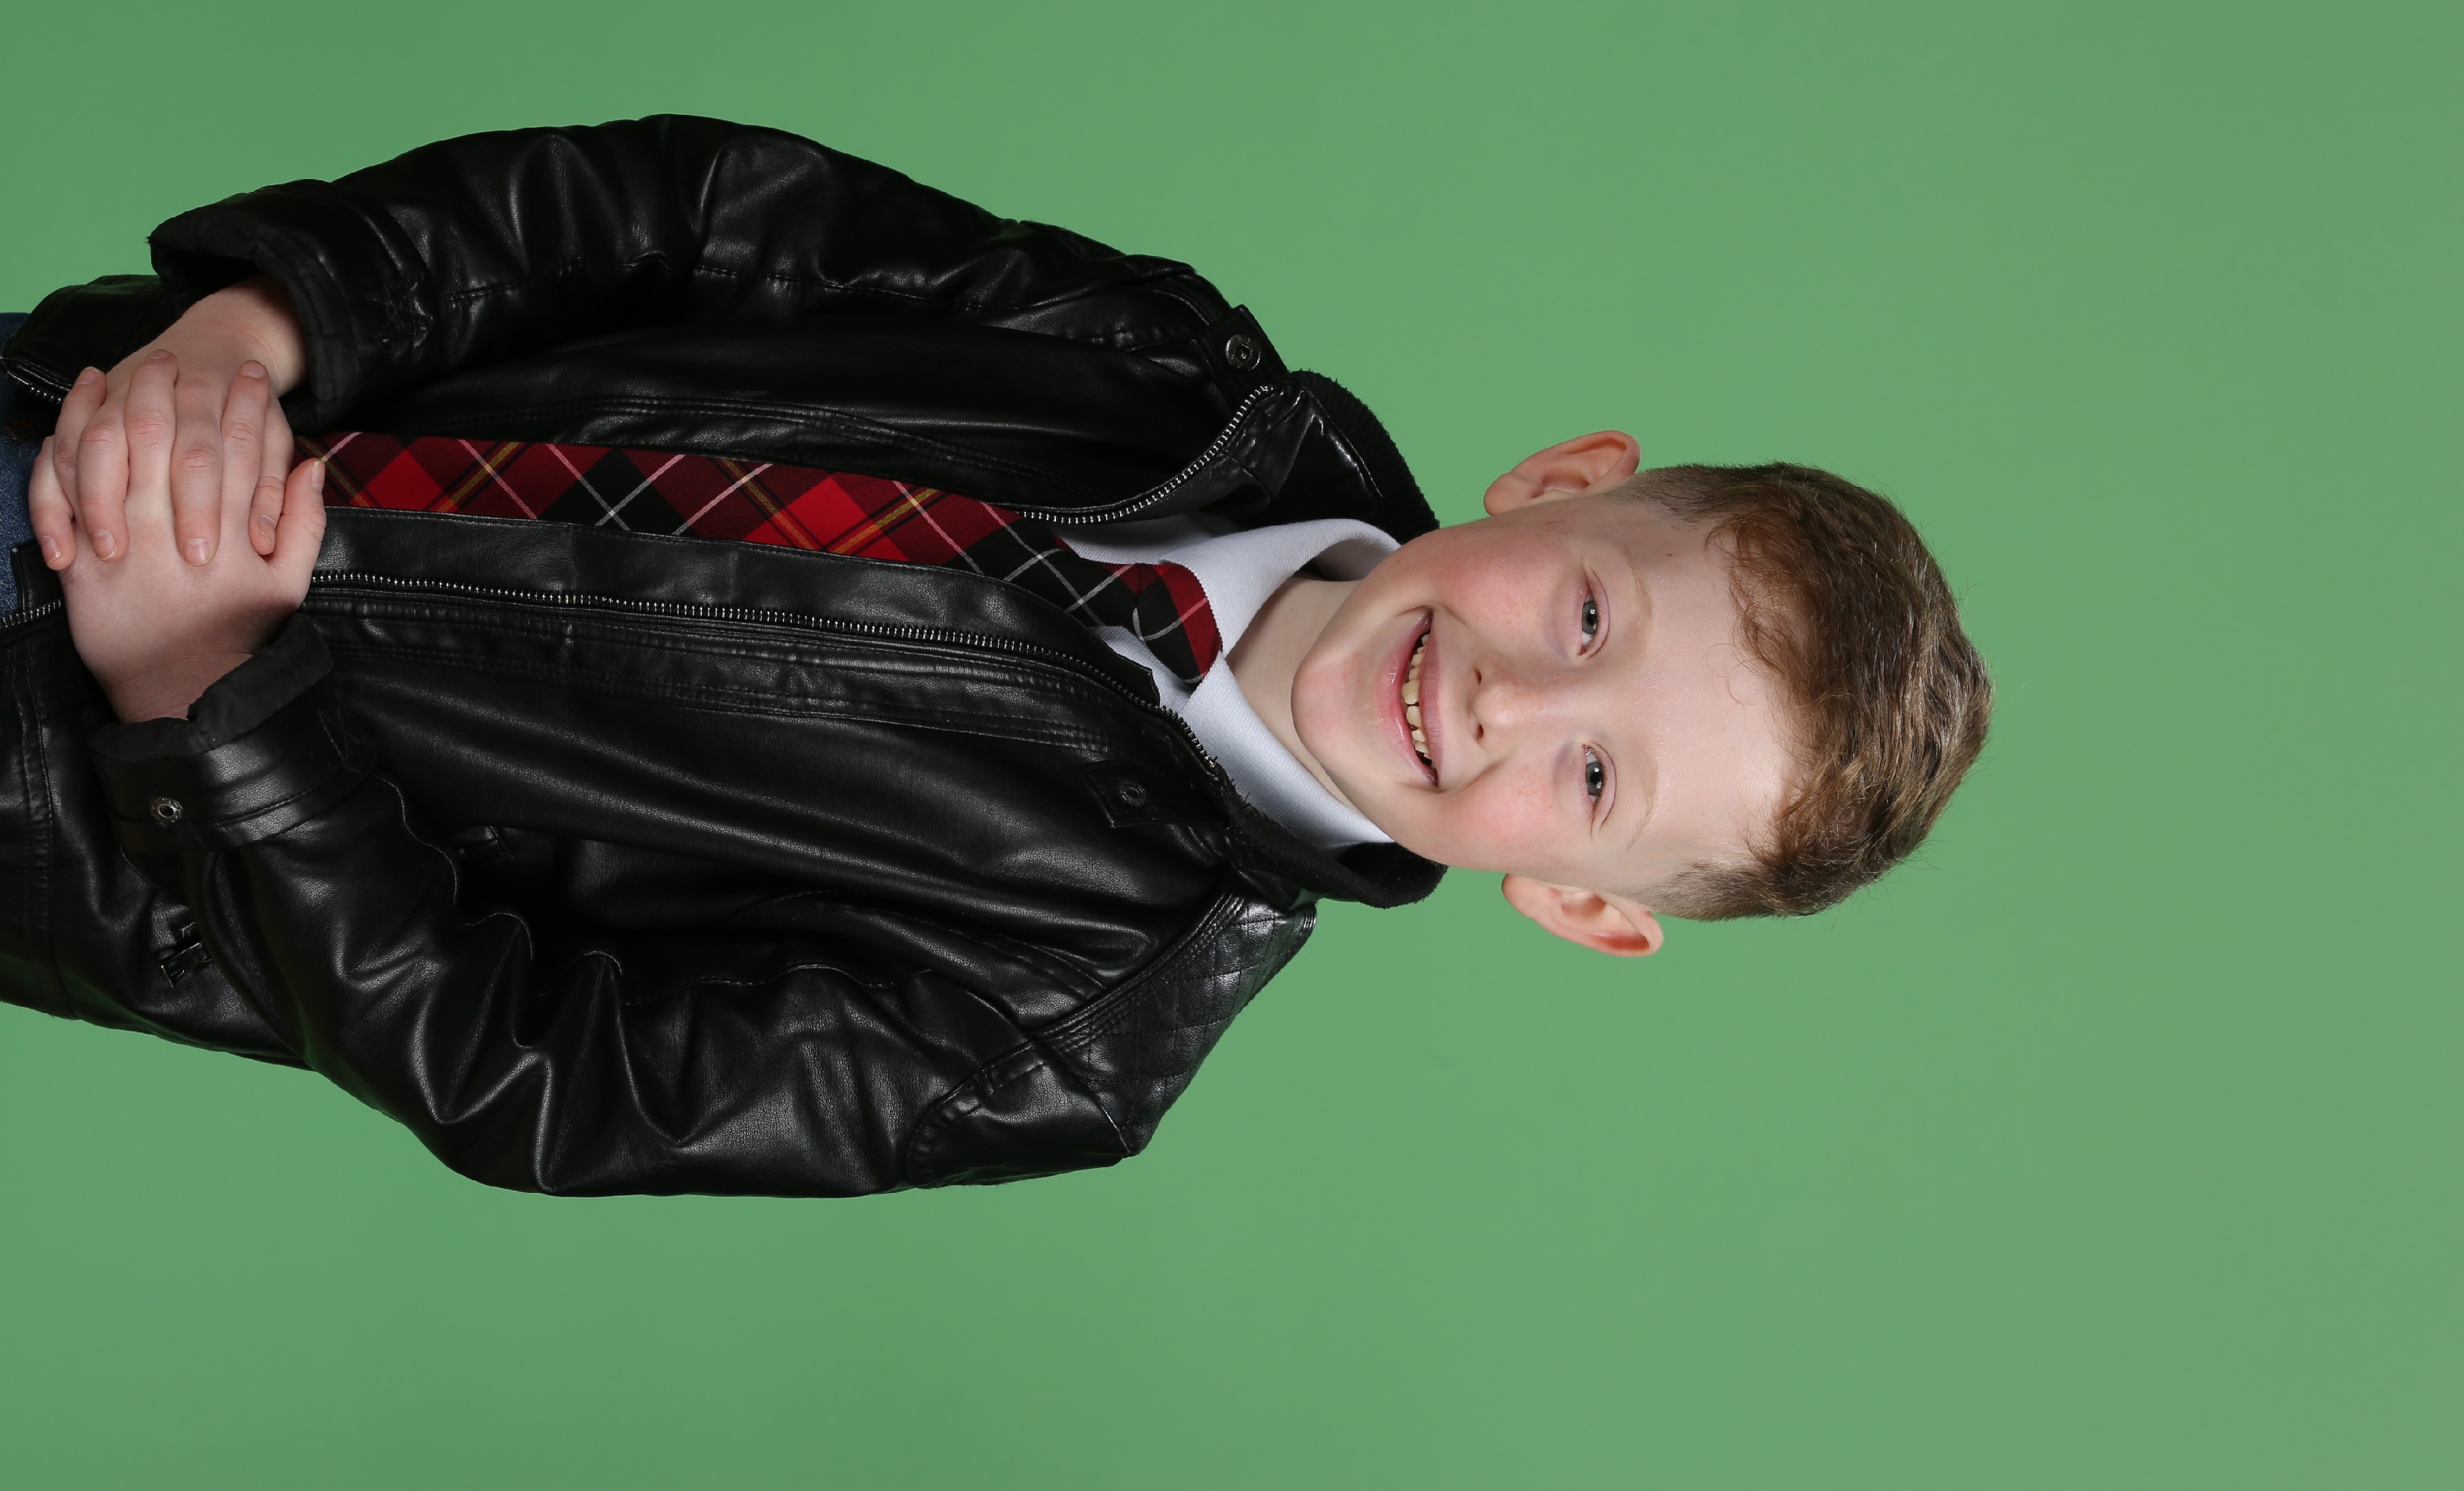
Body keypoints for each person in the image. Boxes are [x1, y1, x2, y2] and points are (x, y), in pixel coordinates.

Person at [0, 118, 1990, 1196]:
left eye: (1595, 777)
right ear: (1563, 482)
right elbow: (681, 217)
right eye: (1587, 619)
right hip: (87, 412)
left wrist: (203, 697)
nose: (1508, 702)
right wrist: (260, 334)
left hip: (72, 787)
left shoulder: (1072, 1031)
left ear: (1577, 903)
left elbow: (535, 1070)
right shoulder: (1152, 353)